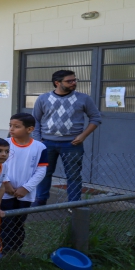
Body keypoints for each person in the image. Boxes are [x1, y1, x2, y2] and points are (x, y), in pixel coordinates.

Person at [32, 69, 102, 206]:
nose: (73, 83)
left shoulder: (84, 98)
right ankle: (40, 202)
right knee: (44, 173)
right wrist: (38, 140)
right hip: (46, 143)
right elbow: (35, 120)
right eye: (69, 81)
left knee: (74, 175)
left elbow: (96, 118)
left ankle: (74, 204)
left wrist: (83, 136)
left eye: (75, 80)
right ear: (57, 83)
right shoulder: (43, 98)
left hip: (72, 144)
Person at [0, 113, 48, 256]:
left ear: (30, 129)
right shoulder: (3, 144)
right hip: (5, 192)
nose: (12, 129)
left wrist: (26, 188)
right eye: (10, 126)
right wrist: (6, 183)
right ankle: (4, 251)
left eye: (16, 126)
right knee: (5, 222)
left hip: (25, 194)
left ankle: (16, 250)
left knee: (19, 223)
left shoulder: (40, 147)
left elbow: (41, 170)